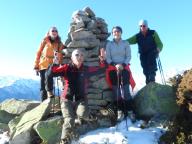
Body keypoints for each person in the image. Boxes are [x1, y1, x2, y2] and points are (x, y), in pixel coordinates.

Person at [45, 49, 104, 143]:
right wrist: (55, 63)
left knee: (84, 114)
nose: (79, 57)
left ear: (83, 58)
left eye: (81, 55)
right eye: (76, 55)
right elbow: (50, 74)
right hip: (66, 99)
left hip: (80, 99)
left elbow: (100, 70)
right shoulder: (66, 68)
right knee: (69, 119)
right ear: (72, 58)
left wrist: (102, 61)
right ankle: (65, 140)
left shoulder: (86, 69)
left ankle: (91, 116)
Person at [105, 26, 135, 121]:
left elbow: (128, 56)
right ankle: (120, 112)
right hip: (113, 69)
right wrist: (115, 65)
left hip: (124, 68)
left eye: (118, 31)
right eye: (114, 32)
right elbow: (108, 57)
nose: (116, 33)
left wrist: (122, 64)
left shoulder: (125, 43)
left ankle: (130, 111)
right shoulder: (109, 44)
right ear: (112, 33)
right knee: (116, 92)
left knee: (126, 91)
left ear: (121, 33)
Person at [127, 19, 163, 84]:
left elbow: (160, 43)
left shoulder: (153, 33)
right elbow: (128, 41)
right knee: (144, 66)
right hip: (143, 54)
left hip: (152, 52)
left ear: (147, 26)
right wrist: (120, 41)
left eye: (144, 26)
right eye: (141, 26)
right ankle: (147, 78)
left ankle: (152, 77)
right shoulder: (137, 36)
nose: (142, 27)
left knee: (151, 62)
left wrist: (158, 49)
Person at [34, 27, 64, 101]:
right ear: (49, 32)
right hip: (43, 65)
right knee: (42, 86)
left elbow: (61, 55)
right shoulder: (44, 41)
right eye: (52, 31)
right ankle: (43, 106)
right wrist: (36, 66)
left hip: (53, 65)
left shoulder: (60, 43)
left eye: (56, 31)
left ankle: (49, 95)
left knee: (48, 80)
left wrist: (59, 63)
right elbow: (38, 53)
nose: (54, 32)